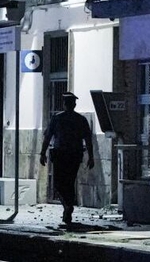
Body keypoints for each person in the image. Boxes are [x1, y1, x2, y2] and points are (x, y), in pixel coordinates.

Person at [39, 91, 94, 226]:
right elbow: (88, 139)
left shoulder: (56, 118)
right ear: (74, 104)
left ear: (64, 104)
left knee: (58, 184)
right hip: (75, 155)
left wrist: (42, 153)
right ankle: (68, 208)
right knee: (70, 182)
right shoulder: (81, 120)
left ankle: (67, 206)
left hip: (60, 155)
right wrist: (91, 157)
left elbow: (47, 137)